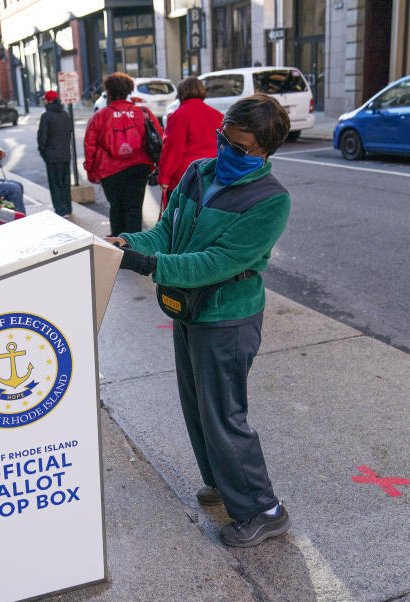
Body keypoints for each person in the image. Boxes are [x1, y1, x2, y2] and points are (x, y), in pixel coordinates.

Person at [106, 94, 293, 548]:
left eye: (239, 147)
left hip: (228, 317)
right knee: (197, 408)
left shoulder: (270, 201)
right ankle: (224, 485)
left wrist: (148, 265)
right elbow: (167, 232)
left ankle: (262, 509)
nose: (225, 151)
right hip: (188, 310)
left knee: (224, 415)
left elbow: (217, 261)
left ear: (264, 151)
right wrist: (128, 240)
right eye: (222, 139)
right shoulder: (198, 173)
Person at [84, 72, 163, 235]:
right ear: (129, 91)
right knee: (134, 208)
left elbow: (90, 146)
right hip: (138, 167)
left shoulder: (99, 117)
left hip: (109, 170)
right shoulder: (143, 113)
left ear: (108, 92)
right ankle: (133, 246)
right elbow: (159, 138)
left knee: (116, 207)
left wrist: (91, 172)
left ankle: (118, 245)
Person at [157, 77, 225, 209]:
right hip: (212, 173)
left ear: (181, 93)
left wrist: (164, 177)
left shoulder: (179, 115)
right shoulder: (217, 115)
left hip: (185, 177)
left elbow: (172, 149)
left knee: (179, 219)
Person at [37, 89, 73, 216]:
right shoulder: (66, 114)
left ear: (48, 100)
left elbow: (42, 138)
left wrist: (44, 153)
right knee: (65, 184)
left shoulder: (46, 116)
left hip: (52, 155)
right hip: (65, 154)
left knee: (55, 184)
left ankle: (60, 209)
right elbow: (69, 133)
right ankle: (68, 208)